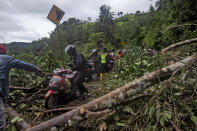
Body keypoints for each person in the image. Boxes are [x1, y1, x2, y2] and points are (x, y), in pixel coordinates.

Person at [0, 44, 42, 130]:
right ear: (3, 51)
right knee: (1, 117)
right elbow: (22, 64)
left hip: (2, 91)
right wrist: (36, 69)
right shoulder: (6, 59)